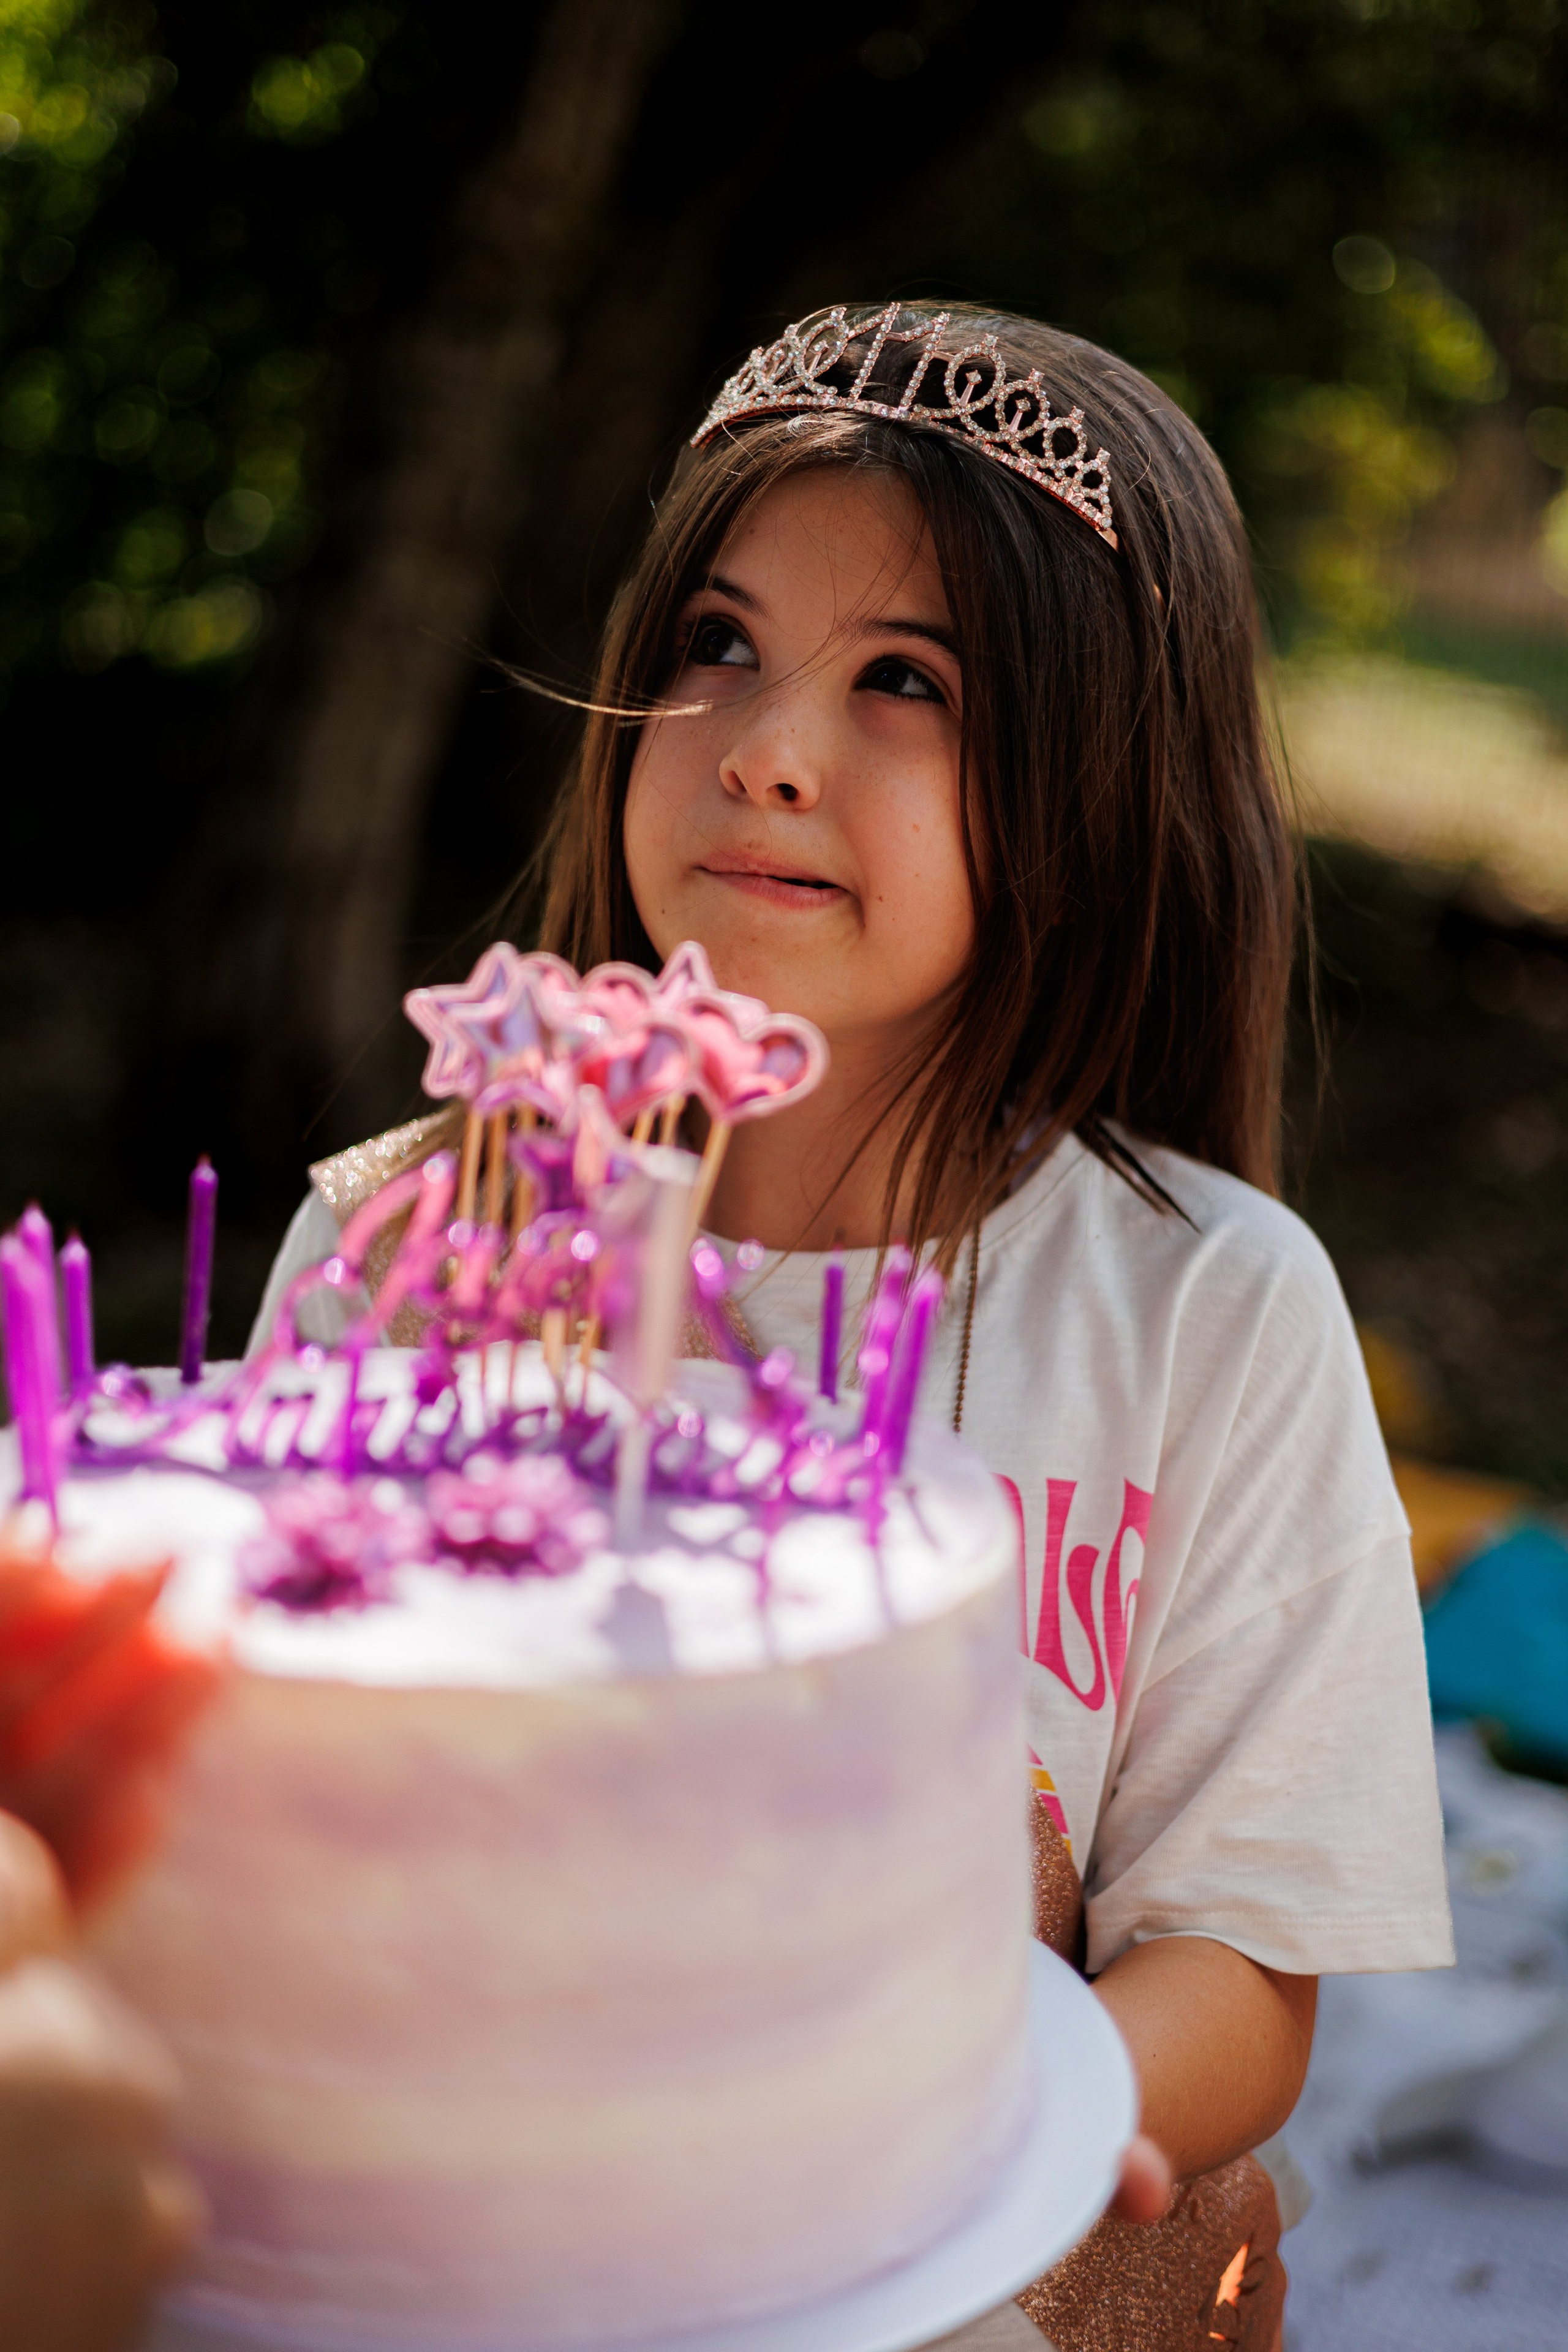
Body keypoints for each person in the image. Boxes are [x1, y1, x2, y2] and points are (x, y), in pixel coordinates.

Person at [260, 303, 1453, 2351]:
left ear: (1090, 804)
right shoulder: (409, 1251)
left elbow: (1246, 1978)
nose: (768, 747)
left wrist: (961, 2119)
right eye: (714, 645)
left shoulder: (1209, 1315)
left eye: (906, 682)